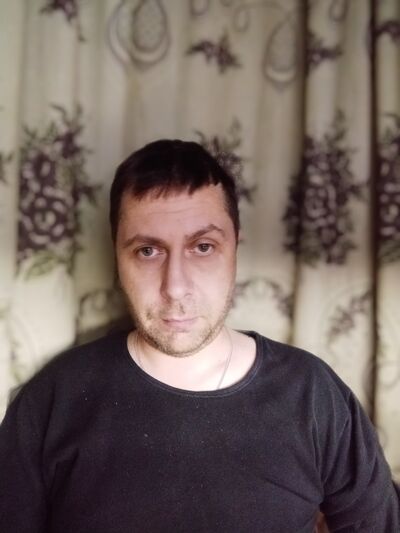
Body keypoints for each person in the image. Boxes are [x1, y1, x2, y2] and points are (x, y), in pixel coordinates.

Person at [0, 140, 399, 533]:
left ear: (235, 249)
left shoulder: (311, 393)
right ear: (117, 256)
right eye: (147, 251)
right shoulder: (55, 397)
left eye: (203, 247)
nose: (175, 287)